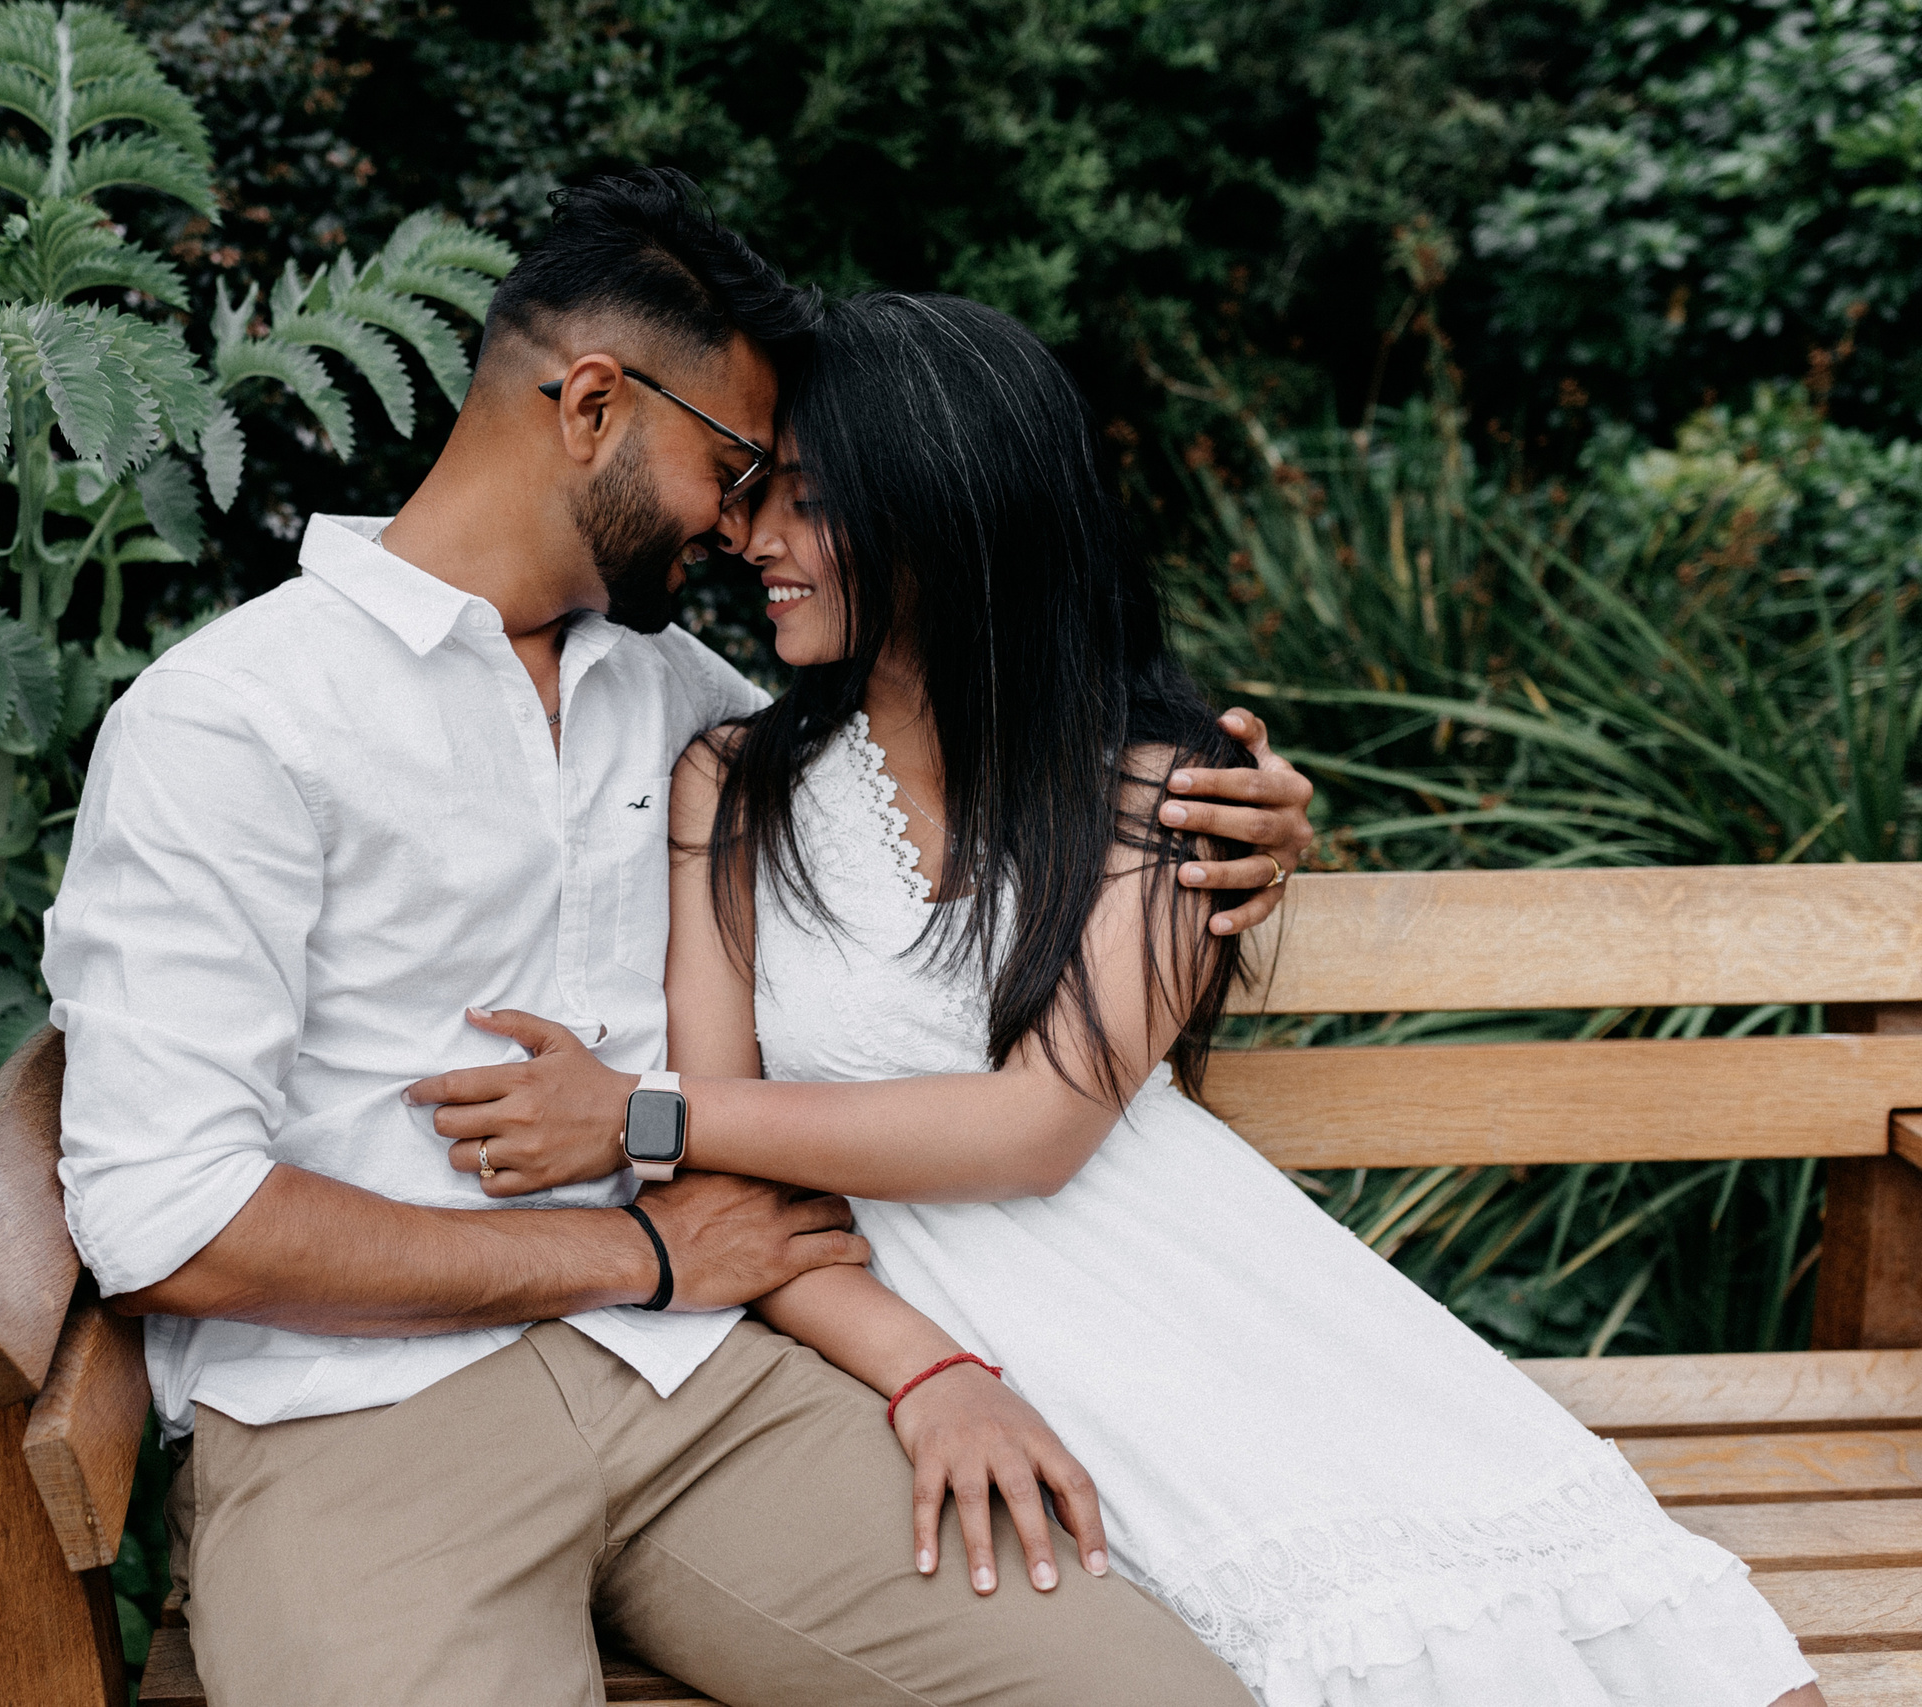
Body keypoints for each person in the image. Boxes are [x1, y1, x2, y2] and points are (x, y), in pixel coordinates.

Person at [405, 292, 1822, 1707]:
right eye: (757, 495)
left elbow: (1040, 1130)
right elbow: (731, 1179)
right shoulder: (734, 784)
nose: (753, 539)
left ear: (950, 516)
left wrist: (638, 1115)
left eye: (808, 504)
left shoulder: (1164, 784)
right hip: (936, 1321)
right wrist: (927, 1366)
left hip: (1215, 1300)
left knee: (1631, 1651)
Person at [43, 171, 1318, 1706]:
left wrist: (1238, 805)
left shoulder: (685, 706)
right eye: (730, 463)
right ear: (590, 403)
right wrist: (636, 1250)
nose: (742, 521)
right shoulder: (233, 721)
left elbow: (969, 744)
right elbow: (164, 1218)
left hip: (717, 1390)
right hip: (362, 1420)